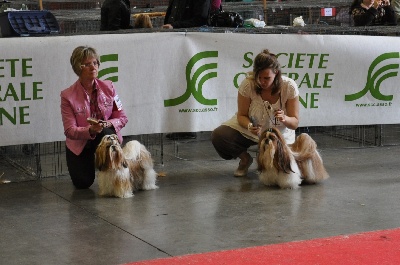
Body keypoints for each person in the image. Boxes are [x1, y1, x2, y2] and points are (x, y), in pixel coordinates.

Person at [211, 49, 300, 177]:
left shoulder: (289, 86)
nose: (262, 82)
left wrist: (284, 118)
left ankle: (267, 158)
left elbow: (295, 123)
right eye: (259, 77)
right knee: (219, 135)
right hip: (251, 131)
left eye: (267, 78)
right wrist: (249, 126)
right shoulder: (248, 84)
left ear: (277, 73)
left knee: (284, 172)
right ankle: (245, 159)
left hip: (279, 135)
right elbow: (241, 115)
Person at [60, 46, 128, 189]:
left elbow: (122, 117)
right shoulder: (67, 96)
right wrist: (90, 130)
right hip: (81, 143)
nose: (93, 67)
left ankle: (113, 170)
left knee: (106, 134)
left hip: (104, 135)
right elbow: (69, 130)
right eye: (87, 64)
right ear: (78, 68)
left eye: (95, 63)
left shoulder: (109, 87)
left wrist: (106, 124)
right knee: (82, 183)